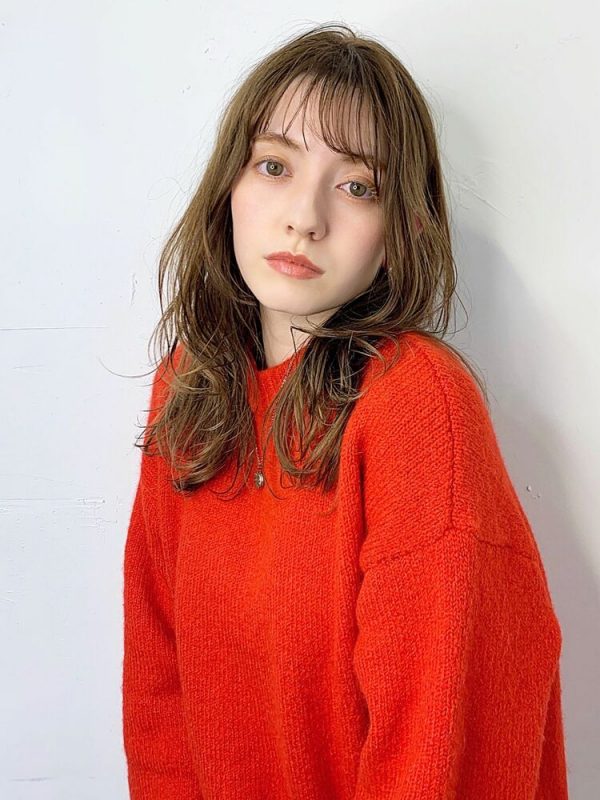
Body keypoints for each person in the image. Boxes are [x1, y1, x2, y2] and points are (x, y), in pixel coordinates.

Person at [122, 22, 569, 799]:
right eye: (274, 166)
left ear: (401, 231)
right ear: (229, 189)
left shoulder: (415, 403)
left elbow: (433, 738)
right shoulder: (189, 389)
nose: (305, 217)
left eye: (358, 186)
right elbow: (160, 689)